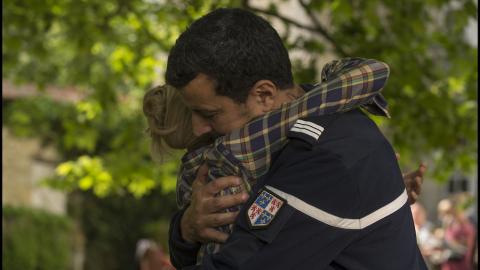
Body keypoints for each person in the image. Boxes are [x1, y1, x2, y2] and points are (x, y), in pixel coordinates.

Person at [162, 8, 427, 269]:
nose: (197, 129)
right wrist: (187, 228)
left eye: (208, 114)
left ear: (264, 95)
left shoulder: (327, 157)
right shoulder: (293, 133)